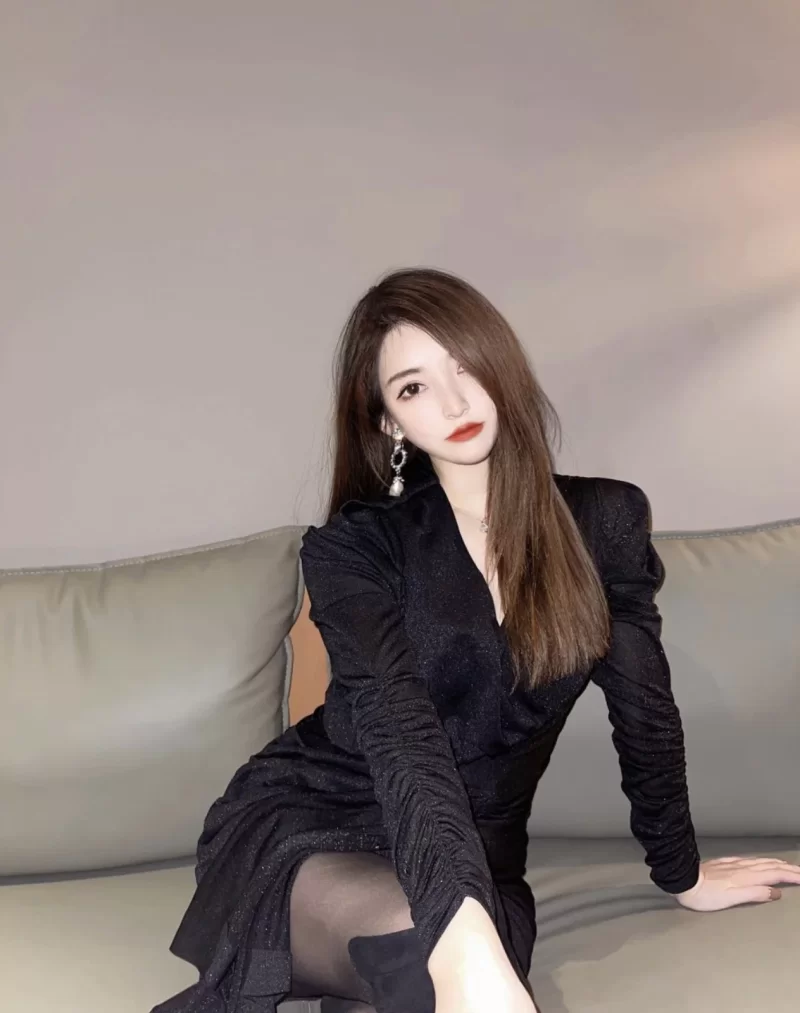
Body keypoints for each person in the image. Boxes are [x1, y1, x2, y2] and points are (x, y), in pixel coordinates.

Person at [153, 268, 800, 1013]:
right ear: (390, 423)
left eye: (464, 367)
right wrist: (461, 929)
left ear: (501, 365)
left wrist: (681, 872)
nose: (454, 402)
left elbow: (644, 706)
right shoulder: (355, 550)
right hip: (316, 822)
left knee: (437, 964)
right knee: (439, 956)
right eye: (413, 387)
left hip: (481, 848)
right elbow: (398, 727)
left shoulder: (605, 522)